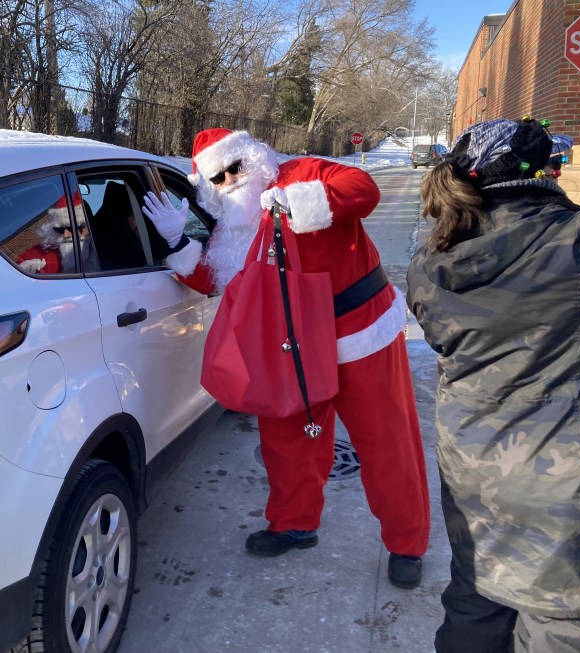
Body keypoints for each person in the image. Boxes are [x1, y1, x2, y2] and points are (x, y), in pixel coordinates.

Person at [142, 127, 430, 589]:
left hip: (358, 332)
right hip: (289, 348)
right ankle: (294, 524)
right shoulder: (231, 233)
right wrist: (176, 241)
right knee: (288, 441)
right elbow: (212, 279)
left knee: (386, 441)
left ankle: (406, 543)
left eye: (235, 168)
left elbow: (364, 190)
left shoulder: (302, 172)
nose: (231, 182)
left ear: (251, 157)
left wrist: (298, 202)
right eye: (218, 179)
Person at [406, 116, 580, 652]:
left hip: (477, 483)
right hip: (575, 499)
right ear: (549, 173)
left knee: (475, 610)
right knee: (567, 629)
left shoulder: (432, 261)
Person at [17, 191, 90, 273]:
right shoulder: (37, 254)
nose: (65, 235)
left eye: (71, 228)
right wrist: (28, 271)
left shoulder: (99, 249)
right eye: (60, 229)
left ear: (87, 227)